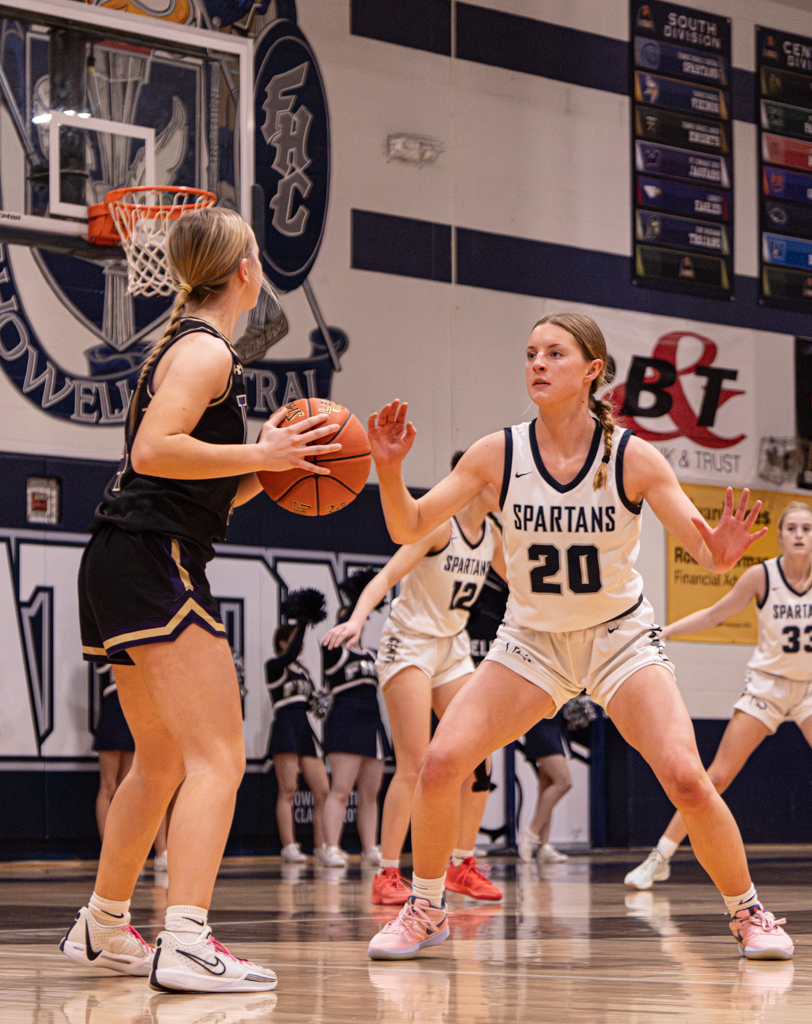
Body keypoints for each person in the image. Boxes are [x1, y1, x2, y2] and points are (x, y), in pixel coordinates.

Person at [364, 311, 793, 962]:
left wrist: (724, 550)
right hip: (531, 641)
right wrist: (390, 470)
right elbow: (409, 525)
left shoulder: (632, 458)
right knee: (442, 762)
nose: (537, 363)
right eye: (531, 352)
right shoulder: (496, 453)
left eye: (554, 354)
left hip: (617, 638)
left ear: (592, 371)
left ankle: (750, 913)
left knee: (685, 776)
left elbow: (706, 556)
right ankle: (426, 908)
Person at [60, 205, 342, 993]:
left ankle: (105, 926)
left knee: (160, 758)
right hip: (153, 559)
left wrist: (275, 468)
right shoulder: (207, 351)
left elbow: (193, 481)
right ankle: (187, 939)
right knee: (217, 755)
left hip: (127, 555)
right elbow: (156, 450)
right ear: (247, 270)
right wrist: (264, 448)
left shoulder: (193, 347)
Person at [324, 455, 507, 907]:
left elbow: (526, 585)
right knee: (415, 762)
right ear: (480, 483)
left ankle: (461, 864)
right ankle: (387, 872)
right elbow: (385, 576)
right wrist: (357, 619)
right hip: (409, 643)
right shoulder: (439, 527)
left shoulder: (495, 535)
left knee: (480, 753)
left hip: (451, 646)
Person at [625, 501, 812, 891]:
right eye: (792, 528)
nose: (799, 534)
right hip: (768, 686)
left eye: (806, 529)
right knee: (718, 775)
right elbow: (715, 614)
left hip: (809, 688)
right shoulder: (762, 576)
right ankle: (660, 856)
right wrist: (666, 631)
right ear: (779, 536)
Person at [319, 569, 387, 868]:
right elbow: (348, 617)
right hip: (345, 720)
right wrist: (355, 608)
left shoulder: (373, 654)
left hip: (373, 725)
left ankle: (370, 848)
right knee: (341, 791)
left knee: (370, 794)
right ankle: (331, 847)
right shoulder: (333, 650)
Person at [265, 615, 331, 865]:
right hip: (285, 725)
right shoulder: (274, 667)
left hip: (305, 727)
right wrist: (304, 623)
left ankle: (321, 845)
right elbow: (289, 655)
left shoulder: (304, 671)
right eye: (294, 640)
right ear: (283, 643)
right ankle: (289, 845)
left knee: (323, 790)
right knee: (288, 789)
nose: (299, 644)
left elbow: (316, 703)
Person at [92, 665, 170, 874]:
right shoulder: (106, 649)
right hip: (113, 714)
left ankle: (130, 852)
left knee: (127, 789)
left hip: (134, 714)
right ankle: (111, 853)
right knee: (108, 786)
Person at [516, 716, 572, 864]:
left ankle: (543, 847)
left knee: (547, 785)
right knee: (563, 782)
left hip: (553, 722)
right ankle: (531, 832)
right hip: (539, 721)